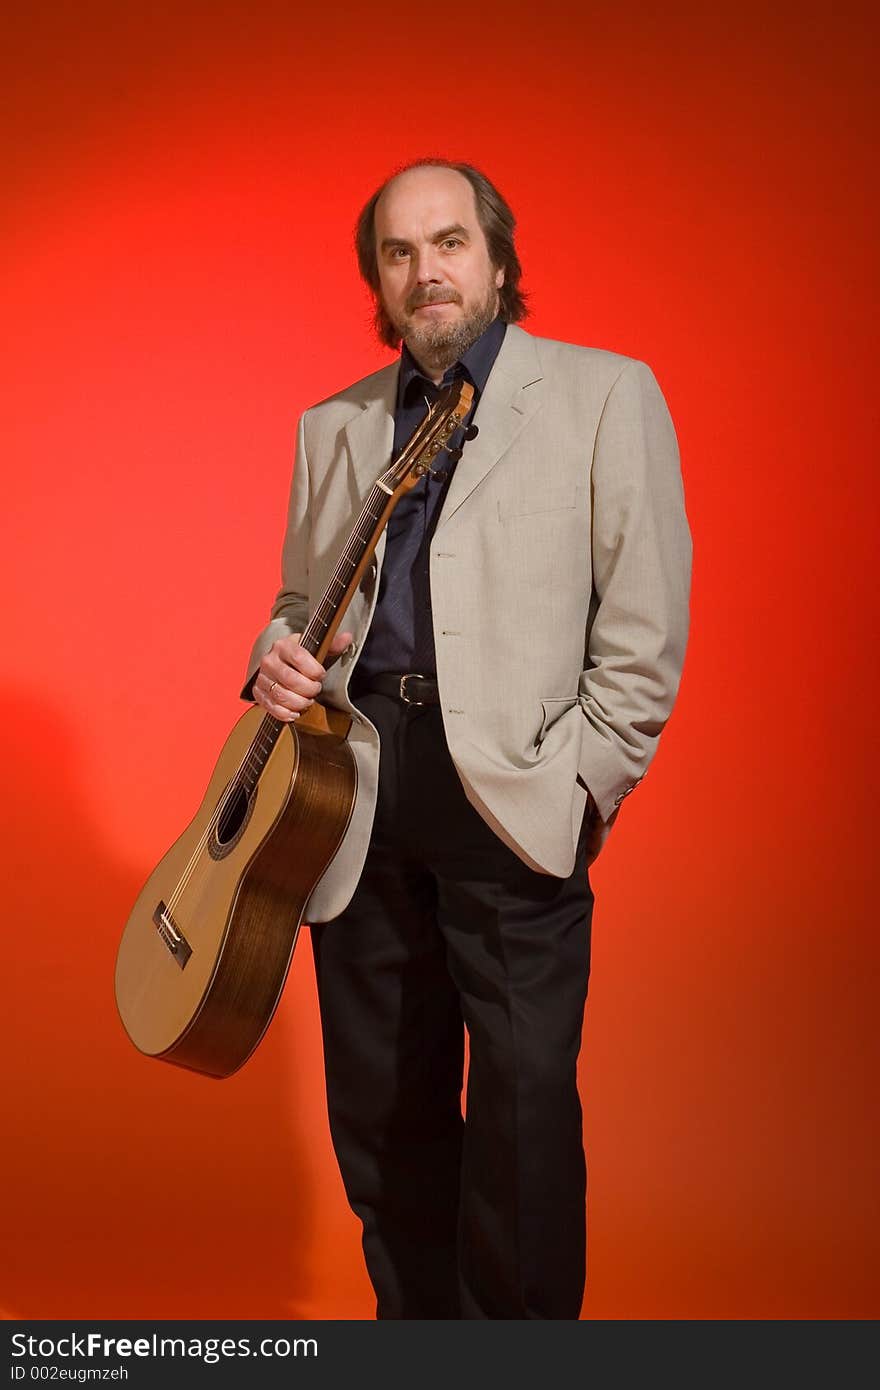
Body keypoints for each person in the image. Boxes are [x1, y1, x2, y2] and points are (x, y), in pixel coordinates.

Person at [243, 158, 692, 1319]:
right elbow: (302, 603)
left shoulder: (603, 395)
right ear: (378, 282)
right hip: (350, 800)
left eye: (448, 244)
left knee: (523, 1115)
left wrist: (585, 783)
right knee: (383, 1121)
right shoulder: (330, 425)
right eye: (398, 254)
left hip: (519, 798)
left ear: (496, 260)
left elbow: (642, 628)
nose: (425, 271)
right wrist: (274, 654)